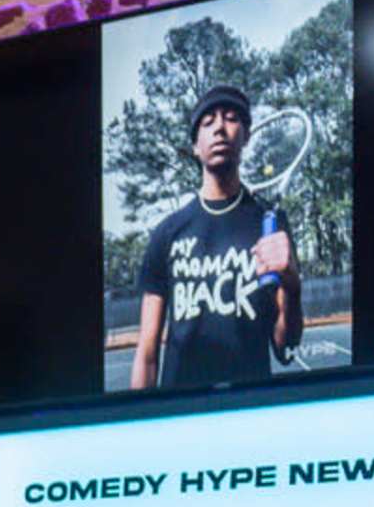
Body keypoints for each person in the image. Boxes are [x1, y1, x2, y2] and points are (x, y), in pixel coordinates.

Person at [128, 83, 301, 394]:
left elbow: (285, 344)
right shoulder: (167, 232)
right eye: (208, 122)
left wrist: (292, 286)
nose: (220, 127)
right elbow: (147, 352)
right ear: (196, 146)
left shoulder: (269, 224)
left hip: (250, 408)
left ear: (246, 136)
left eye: (232, 118)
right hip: (180, 414)